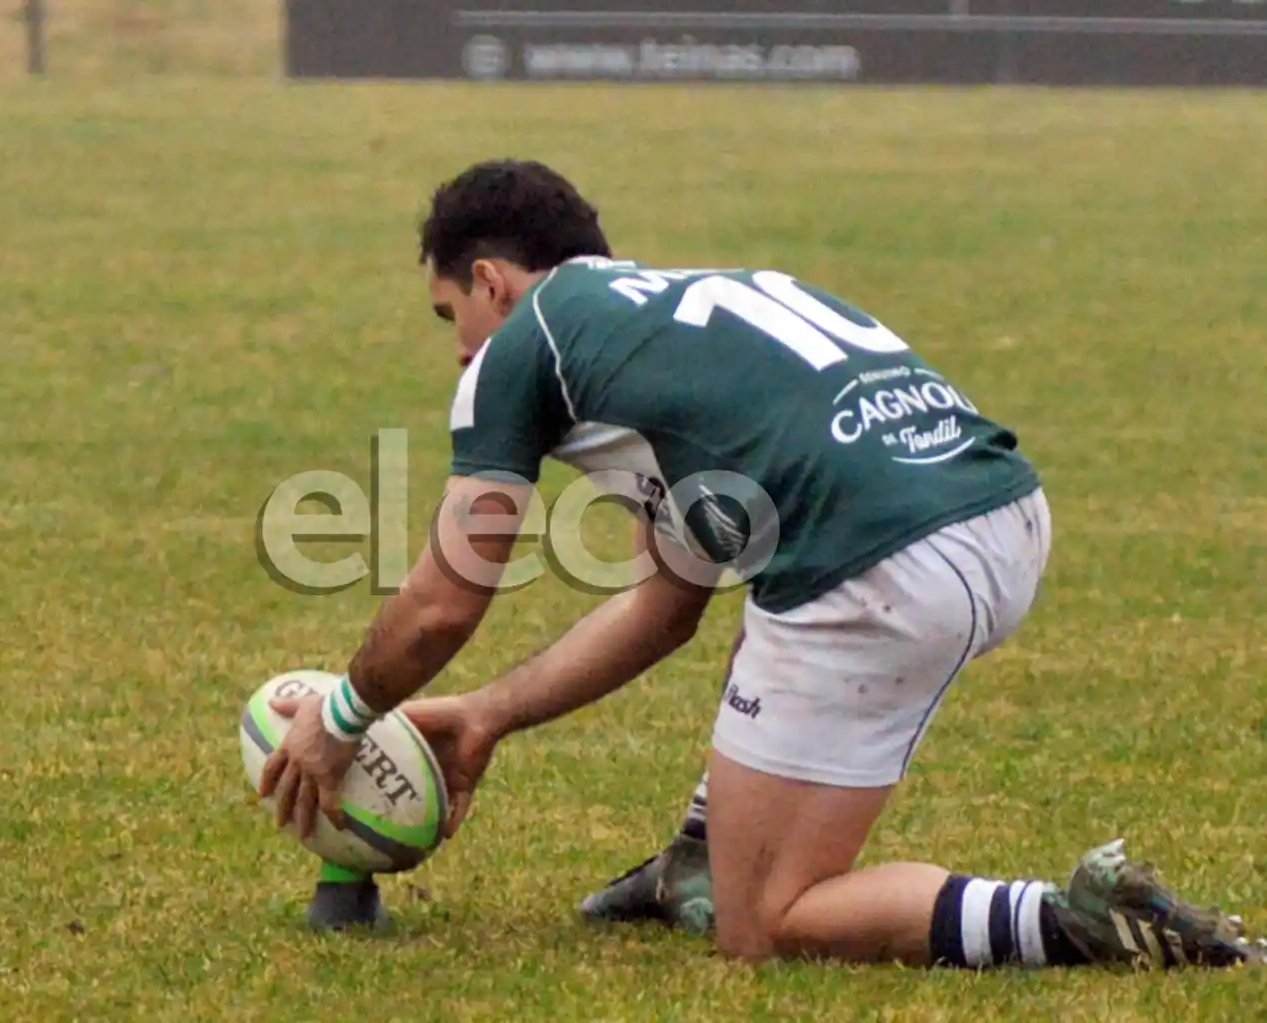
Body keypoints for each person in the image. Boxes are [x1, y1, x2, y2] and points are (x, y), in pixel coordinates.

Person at [258, 158, 1262, 969]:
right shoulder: (683, 312)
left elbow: (443, 602)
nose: (458, 351)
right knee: (760, 587)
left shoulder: (526, 345)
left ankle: (1069, 919)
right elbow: (669, 604)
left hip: (879, 564)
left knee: (770, 922)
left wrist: (342, 718)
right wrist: (488, 714)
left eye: (450, 319)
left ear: (490, 282)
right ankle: (700, 851)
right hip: (1002, 512)